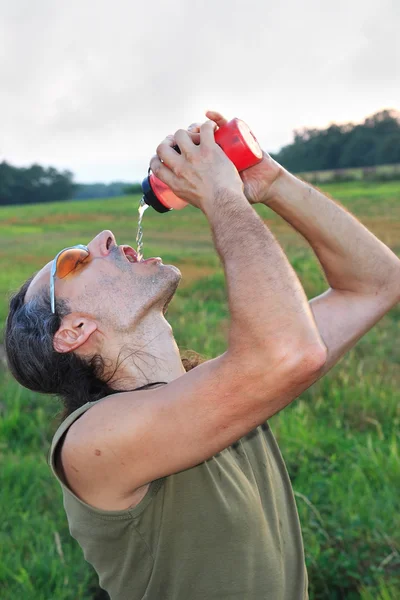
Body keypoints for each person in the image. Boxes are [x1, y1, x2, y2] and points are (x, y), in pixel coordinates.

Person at [5, 110, 399, 600]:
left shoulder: (225, 389)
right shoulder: (89, 442)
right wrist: (219, 196)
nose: (103, 238)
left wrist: (270, 181)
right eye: (73, 261)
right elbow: (289, 353)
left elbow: (376, 284)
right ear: (73, 331)